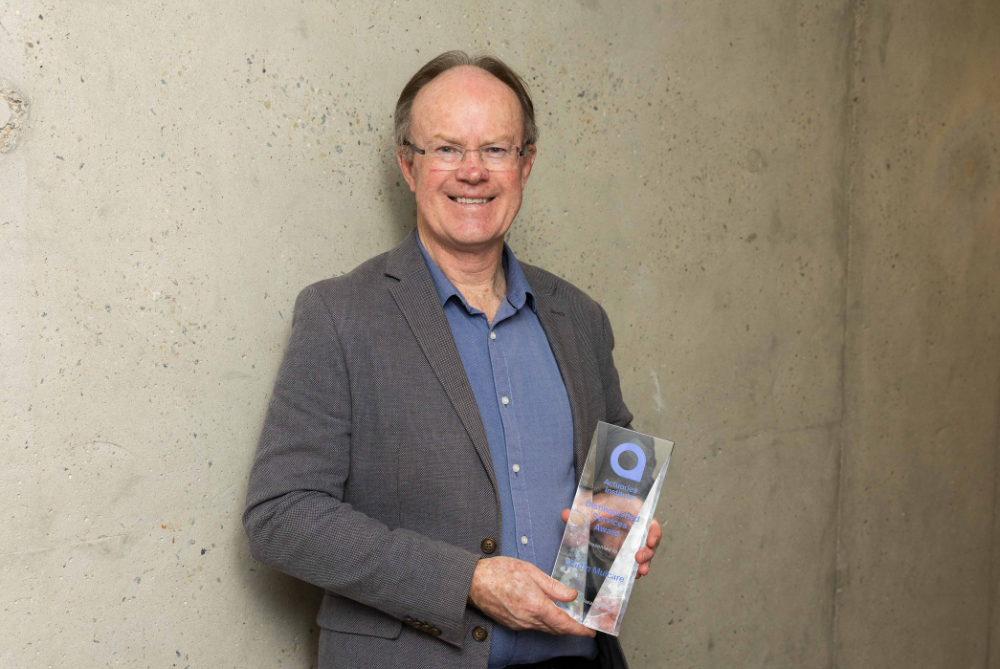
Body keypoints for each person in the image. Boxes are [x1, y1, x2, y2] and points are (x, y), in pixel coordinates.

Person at [243, 51, 661, 669]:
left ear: (526, 164)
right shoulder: (339, 315)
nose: (473, 172)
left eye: (496, 150)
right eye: (447, 149)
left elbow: (618, 472)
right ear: (408, 166)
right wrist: (468, 580)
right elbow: (281, 515)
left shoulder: (580, 318)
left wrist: (626, 530)